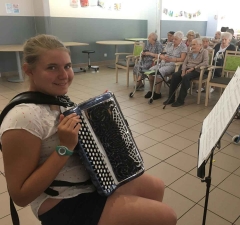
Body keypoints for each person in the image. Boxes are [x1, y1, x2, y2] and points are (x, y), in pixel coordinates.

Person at [0, 34, 177, 225]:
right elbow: (21, 195)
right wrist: (64, 148)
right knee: (166, 217)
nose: (63, 75)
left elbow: (87, 143)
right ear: (29, 70)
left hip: (89, 181)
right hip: (61, 201)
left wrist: (102, 118)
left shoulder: (57, 100)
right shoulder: (23, 118)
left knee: (156, 187)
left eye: (67, 66)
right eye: (52, 67)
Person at [163, 38, 209, 107]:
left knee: (186, 77)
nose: (192, 46)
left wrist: (194, 68)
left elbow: (206, 63)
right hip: (186, 69)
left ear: (200, 45)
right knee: (175, 75)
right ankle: (171, 98)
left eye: (194, 44)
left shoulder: (204, 51)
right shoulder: (190, 52)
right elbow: (184, 62)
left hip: (197, 70)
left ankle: (180, 100)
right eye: (192, 44)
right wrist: (183, 70)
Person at [145, 31, 187, 100]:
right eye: (173, 39)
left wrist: (172, 59)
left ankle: (158, 93)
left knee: (160, 72)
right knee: (151, 70)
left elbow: (182, 59)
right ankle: (151, 90)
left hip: (173, 65)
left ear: (181, 40)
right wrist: (163, 57)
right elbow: (163, 53)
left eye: (176, 39)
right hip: (163, 62)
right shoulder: (169, 44)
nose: (173, 40)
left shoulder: (183, 47)